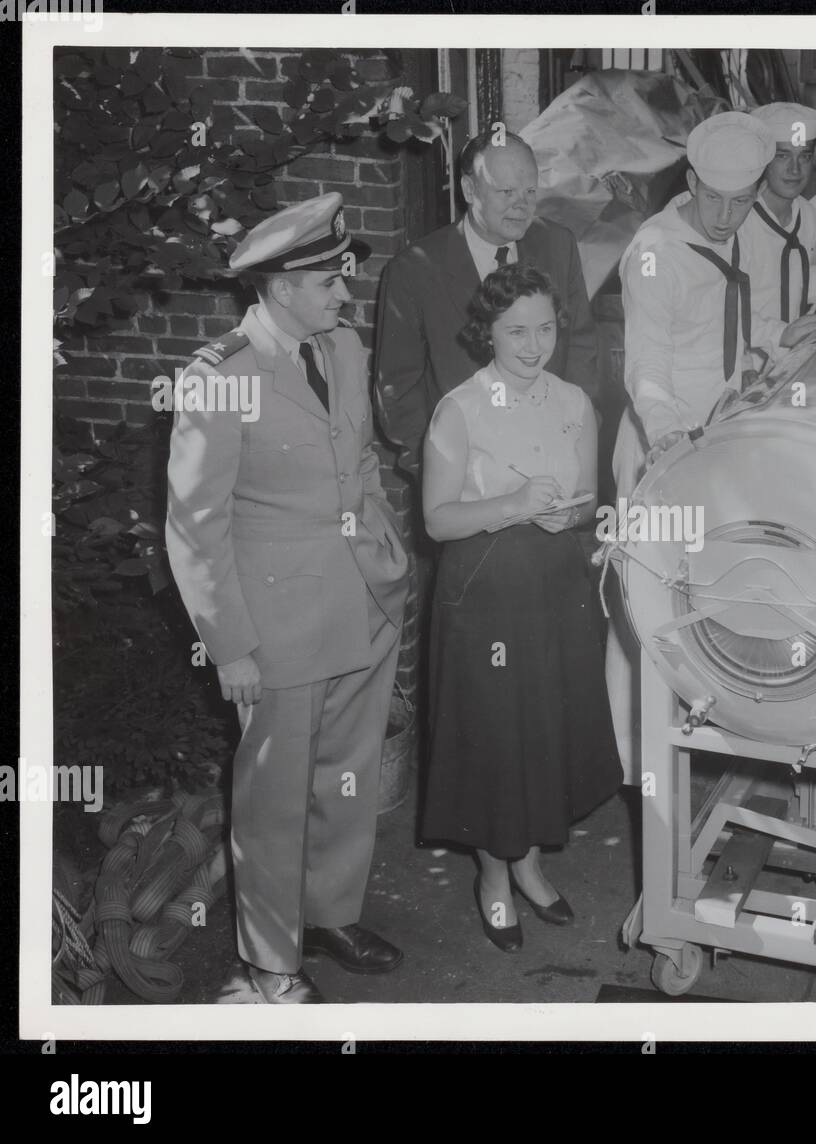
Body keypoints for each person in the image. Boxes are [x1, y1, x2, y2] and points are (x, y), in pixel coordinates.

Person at [166, 193, 409, 1003]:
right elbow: (195, 526)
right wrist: (228, 644)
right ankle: (272, 961)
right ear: (276, 289)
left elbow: (362, 464)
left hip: (360, 604)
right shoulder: (222, 376)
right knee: (272, 801)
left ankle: (330, 913)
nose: (346, 292)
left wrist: (386, 560)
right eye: (328, 279)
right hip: (276, 629)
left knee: (347, 777)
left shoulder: (339, 347)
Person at [606, 111, 816, 784]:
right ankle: (632, 763)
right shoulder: (655, 251)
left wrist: (783, 343)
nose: (730, 215)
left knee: (709, 594)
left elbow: (745, 323)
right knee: (644, 607)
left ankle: (706, 739)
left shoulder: (735, 236)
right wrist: (670, 433)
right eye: (717, 200)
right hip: (663, 446)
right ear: (692, 181)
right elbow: (646, 365)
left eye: (743, 201)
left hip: (724, 437)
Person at [420, 263, 621, 952]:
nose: (533, 345)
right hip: (485, 591)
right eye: (516, 332)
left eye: (544, 328)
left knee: (545, 728)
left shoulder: (575, 402)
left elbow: (591, 496)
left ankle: (531, 864)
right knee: (495, 736)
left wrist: (572, 517)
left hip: (558, 588)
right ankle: (492, 877)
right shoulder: (460, 408)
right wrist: (509, 506)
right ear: (489, 333)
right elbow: (438, 521)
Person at [374, 128, 601, 481]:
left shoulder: (558, 245)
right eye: (506, 191)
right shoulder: (414, 269)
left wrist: (576, 440)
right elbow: (397, 390)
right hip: (467, 479)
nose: (522, 205)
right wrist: (445, 472)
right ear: (469, 190)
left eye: (529, 192)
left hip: (553, 468)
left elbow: (583, 348)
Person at [742, 101, 816, 323]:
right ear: (763, 157)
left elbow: (789, 285)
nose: (795, 169)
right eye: (783, 155)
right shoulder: (741, 219)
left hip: (788, 348)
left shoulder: (806, 215)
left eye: (804, 156)